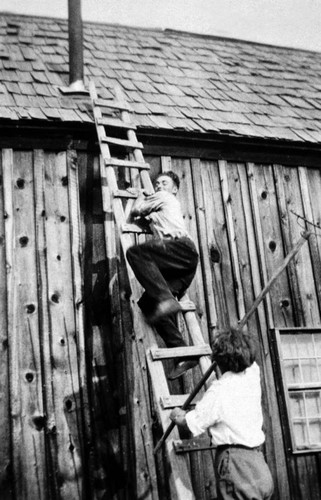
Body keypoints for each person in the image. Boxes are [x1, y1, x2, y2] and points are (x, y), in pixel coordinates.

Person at [170, 328, 274, 500]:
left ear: (218, 361)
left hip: (236, 465)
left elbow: (191, 422)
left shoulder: (219, 391)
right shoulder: (252, 375)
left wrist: (176, 414)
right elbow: (250, 361)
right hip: (259, 466)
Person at [126, 171, 199, 380]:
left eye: (164, 183)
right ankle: (183, 355)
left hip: (179, 249)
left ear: (174, 189)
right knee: (149, 304)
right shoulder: (160, 209)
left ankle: (167, 299)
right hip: (179, 265)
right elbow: (137, 218)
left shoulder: (165, 197)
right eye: (156, 183)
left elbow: (137, 210)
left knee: (135, 252)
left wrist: (140, 194)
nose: (159, 186)